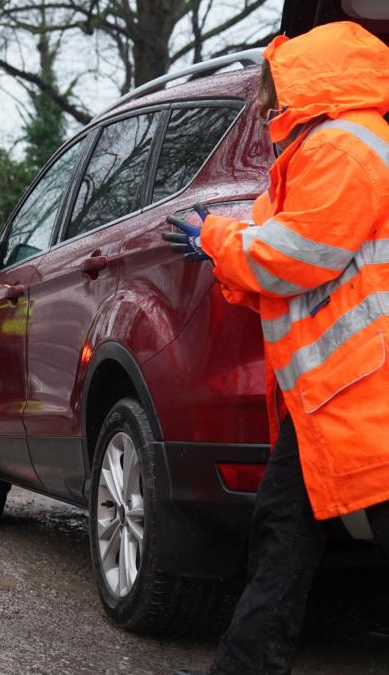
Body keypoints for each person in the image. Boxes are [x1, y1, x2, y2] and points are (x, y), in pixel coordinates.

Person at [165, 21, 389, 674]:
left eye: (270, 89)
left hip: (361, 388)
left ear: (304, 84)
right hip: (337, 390)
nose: (263, 104)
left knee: (288, 528)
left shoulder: (343, 146)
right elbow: (274, 232)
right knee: (284, 526)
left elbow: (299, 254)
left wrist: (214, 239)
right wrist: (220, 237)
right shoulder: (322, 148)